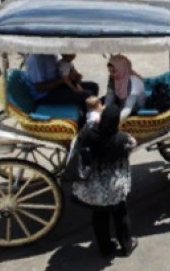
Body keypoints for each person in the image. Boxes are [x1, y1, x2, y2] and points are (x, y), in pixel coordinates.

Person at [72, 104, 138, 258]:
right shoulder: (122, 139)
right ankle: (127, 245)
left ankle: (106, 248)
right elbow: (133, 145)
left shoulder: (87, 134)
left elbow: (76, 144)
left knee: (99, 216)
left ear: (101, 119)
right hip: (115, 187)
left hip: (94, 188)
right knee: (120, 215)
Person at [24, 54, 99, 106]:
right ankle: (87, 122)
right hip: (44, 95)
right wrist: (64, 80)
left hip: (56, 85)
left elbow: (61, 69)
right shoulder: (36, 59)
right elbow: (40, 88)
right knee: (88, 96)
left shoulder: (52, 54)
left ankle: (89, 111)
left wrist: (73, 75)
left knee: (94, 86)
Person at [105, 55, 145, 123]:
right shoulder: (113, 79)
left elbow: (128, 107)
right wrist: (103, 114)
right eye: (110, 71)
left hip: (135, 109)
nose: (111, 74)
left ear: (122, 69)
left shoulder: (134, 82)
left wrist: (114, 122)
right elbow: (109, 98)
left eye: (114, 71)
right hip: (122, 106)